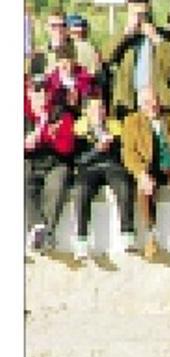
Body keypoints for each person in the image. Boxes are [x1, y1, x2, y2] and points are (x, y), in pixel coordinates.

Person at [120, 86, 170, 258]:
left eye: (155, 100)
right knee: (144, 190)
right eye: (147, 102)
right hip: (149, 168)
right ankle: (151, 237)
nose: (153, 105)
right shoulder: (131, 122)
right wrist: (141, 174)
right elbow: (129, 153)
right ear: (140, 105)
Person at [65, 93, 134, 256]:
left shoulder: (115, 126)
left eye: (102, 107)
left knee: (123, 185)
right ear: (86, 111)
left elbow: (123, 153)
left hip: (111, 165)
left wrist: (112, 145)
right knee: (81, 191)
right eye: (95, 108)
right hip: (89, 168)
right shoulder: (78, 129)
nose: (99, 112)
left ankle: (127, 233)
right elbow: (77, 158)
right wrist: (96, 150)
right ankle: (81, 238)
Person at [105, 0, 170, 120]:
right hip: (129, 99)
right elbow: (106, 58)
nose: (139, 19)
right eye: (135, 14)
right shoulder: (121, 37)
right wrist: (125, 36)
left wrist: (156, 39)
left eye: (143, 14)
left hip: (159, 100)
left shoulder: (166, 36)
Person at [24, 76, 75, 252]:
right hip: (29, 161)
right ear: (29, 93)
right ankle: (37, 225)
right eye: (37, 91)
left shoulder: (60, 114)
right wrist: (49, 136)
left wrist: (42, 136)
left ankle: (46, 235)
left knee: (58, 181)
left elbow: (66, 147)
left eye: (45, 91)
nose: (41, 95)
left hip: (54, 162)